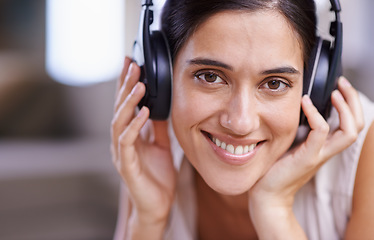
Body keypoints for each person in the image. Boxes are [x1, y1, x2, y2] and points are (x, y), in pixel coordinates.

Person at [110, 0, 374, 239]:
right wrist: (147, 220)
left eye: (274, 83)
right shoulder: (153, 139)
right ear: (161, 76)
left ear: (315, 86)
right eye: (210, 77)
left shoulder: (363, 153)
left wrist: (274, 209)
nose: (240, 122)